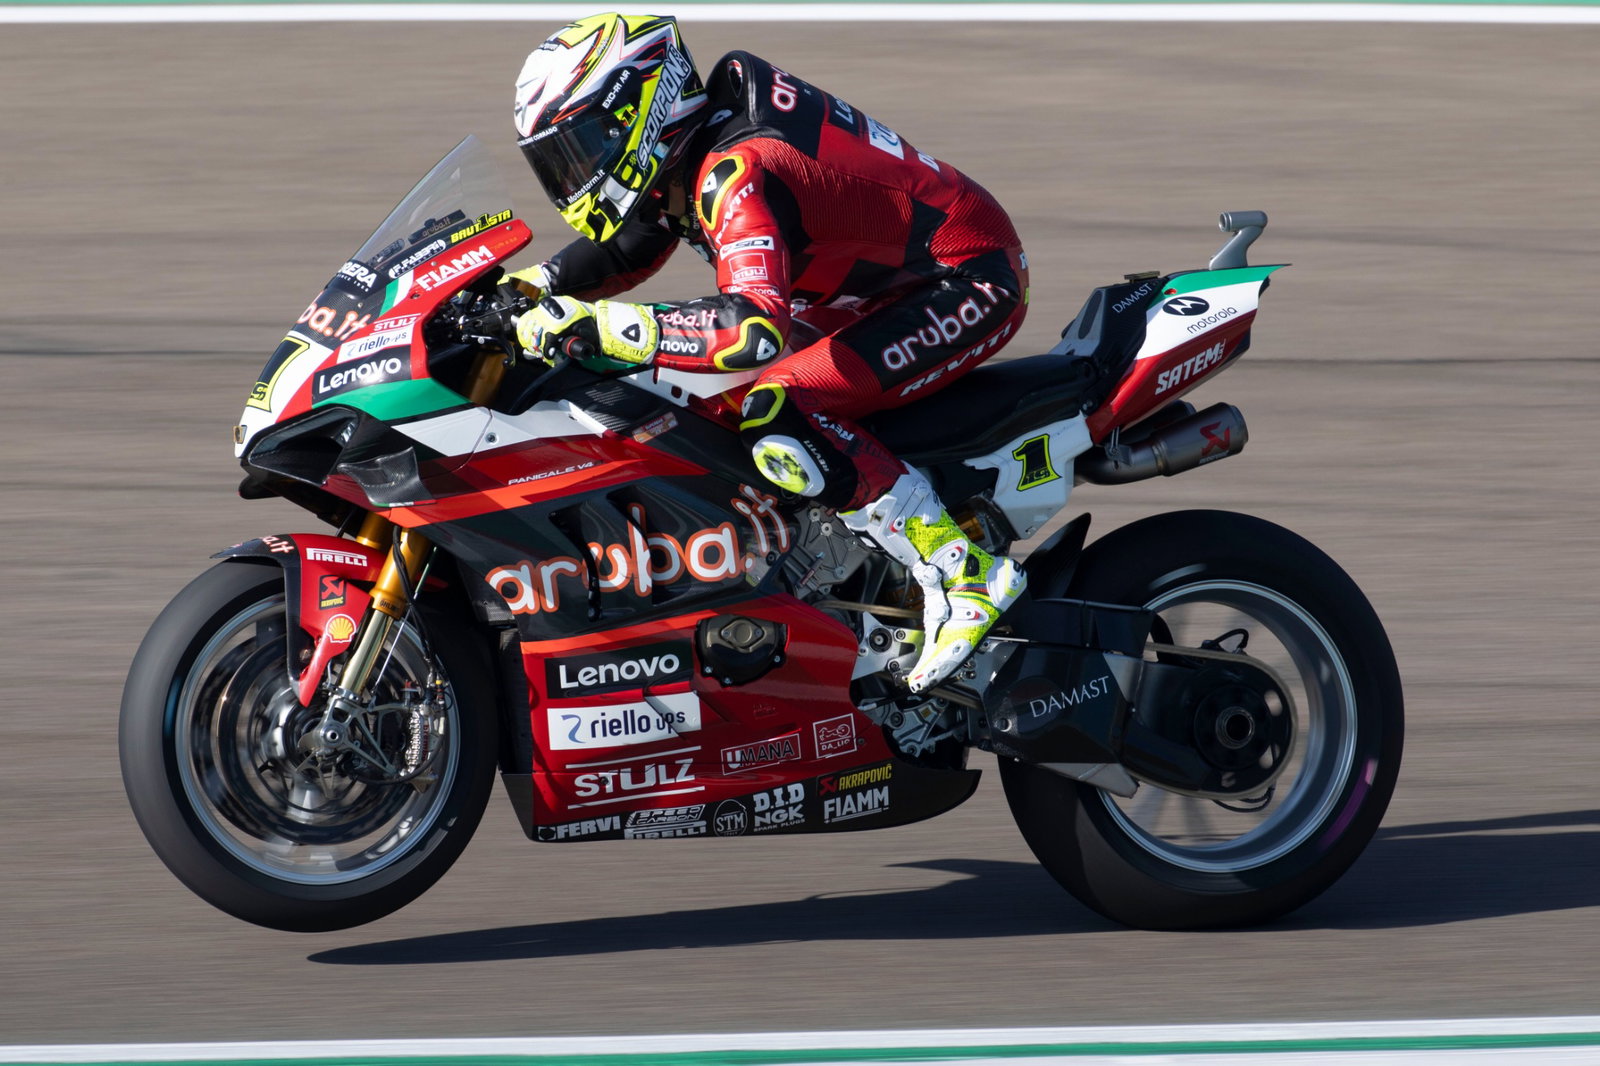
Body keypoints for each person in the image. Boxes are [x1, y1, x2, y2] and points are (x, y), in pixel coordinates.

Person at [510, 12, 1028, 693]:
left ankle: (964, 571)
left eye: (580, 147)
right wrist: (533, 284)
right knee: (703, 398)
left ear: (642, 108)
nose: (572, 173)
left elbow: (754, 329)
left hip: (966, 280)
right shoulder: (691, 147)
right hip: (879, 289)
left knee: (776, 406)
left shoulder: (736, 168)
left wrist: (605, 329)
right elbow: (638, 239)